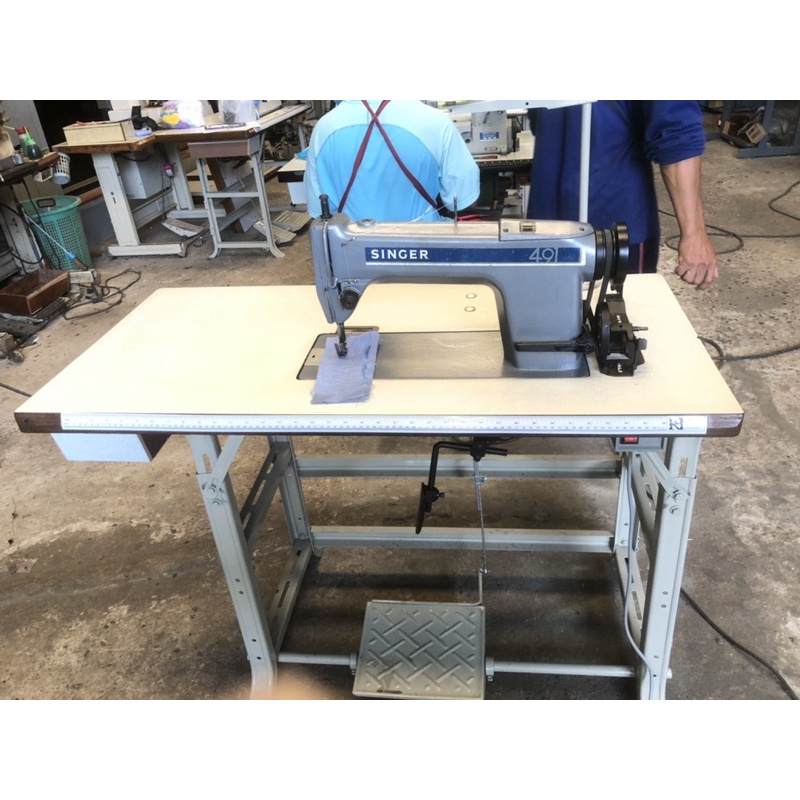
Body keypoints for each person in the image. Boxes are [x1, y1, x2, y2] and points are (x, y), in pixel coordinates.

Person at [526, 101, 719, 289]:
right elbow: (677, 135)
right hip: (612, 226)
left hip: (546, 223)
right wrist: (694, 235)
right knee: (616, 305)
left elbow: (537, 118)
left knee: (546, 303)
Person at [304, 100, 480, 223]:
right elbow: (463, 198)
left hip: (351, 253)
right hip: (423, 251)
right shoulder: (436, 122)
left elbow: (318, 211)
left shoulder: (324, 129)